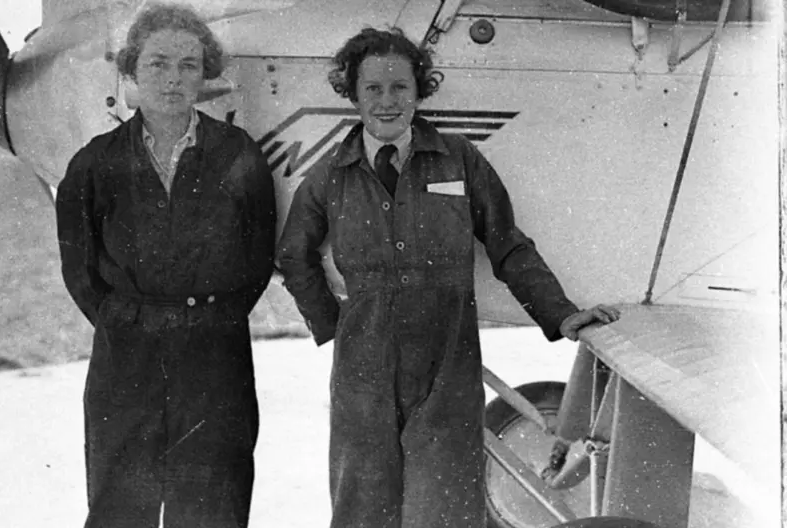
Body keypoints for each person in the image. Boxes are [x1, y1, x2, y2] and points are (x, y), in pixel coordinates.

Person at [276, 27, 620, 527]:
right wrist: (332, 324)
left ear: (420, 91)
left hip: (448, 363)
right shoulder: (331, 172)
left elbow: (507, 243)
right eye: (373, 89)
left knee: (446, 509)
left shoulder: (460, 158)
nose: (388, 101)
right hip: (363, 369)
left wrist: (561, 314)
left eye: (400, 87)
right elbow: (293, 254)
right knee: (362, 510)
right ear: (353, 95)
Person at [55, 4, 276, 527]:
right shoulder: (95, 161)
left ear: (206, 75)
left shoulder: (238, 154)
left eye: (188, 65)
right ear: (131, 69)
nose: (173, 79)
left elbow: (256, 259)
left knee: (212, 506)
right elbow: (81, 273)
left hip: (214, 355)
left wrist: (207, 316)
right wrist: (134, 318)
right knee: (119, 505)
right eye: (157, 64)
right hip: (126, 356)